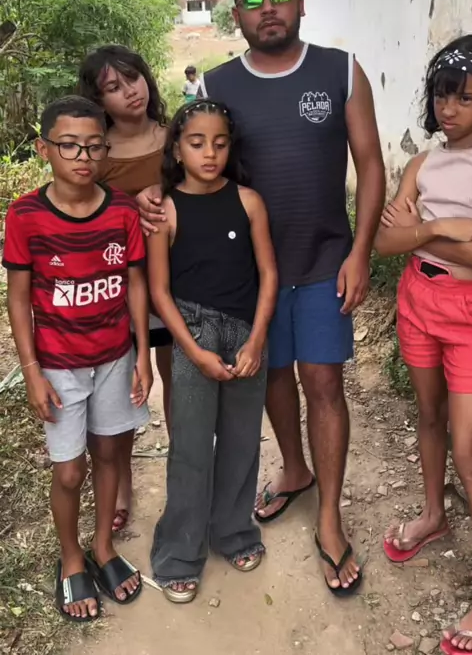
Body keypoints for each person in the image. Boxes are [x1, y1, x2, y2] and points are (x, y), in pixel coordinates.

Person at [137, 0, 385, 595]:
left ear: (300, 2)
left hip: (324, 261)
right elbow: (189, 157)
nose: (266, 8)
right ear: (237, 13)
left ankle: (329, 520)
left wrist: (360, 252)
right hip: (249, 279)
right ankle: (294, 469)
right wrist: (151, 196)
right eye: (251, 0)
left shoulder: (340, 70)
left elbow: (371, 164)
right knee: (271, 376)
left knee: (322, 382)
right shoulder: (217, 84)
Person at [3, 96, 153, 621]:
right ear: (44, 149)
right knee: (69, 471)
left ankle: (103, 548)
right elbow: (18, 298)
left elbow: (136, 283)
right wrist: (31, 372)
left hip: (114, 357)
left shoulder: (122, 210)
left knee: (110, 453)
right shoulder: (24, 215)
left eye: (93, 146)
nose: (83, 157)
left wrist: (142, 355)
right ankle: (71, 558)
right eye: (69, 146)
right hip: (58, 364)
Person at [148, 98, 278, 603]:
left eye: (220, 144)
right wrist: (194, 351)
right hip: (193, 335)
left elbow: (268, 274)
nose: (209, 153)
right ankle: (179, 552)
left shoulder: (249, 202)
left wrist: (257, 338)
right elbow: (159, 291)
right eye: (197, 143)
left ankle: (234, 531)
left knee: (243, 440)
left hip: (246, 334)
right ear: (177, 149)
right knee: (192, 446)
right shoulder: (164, 209)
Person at [375, 35, 472, 654]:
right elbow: (385, 242)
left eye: (466, 98)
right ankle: (435, 515)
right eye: (443, 95)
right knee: (429, 417)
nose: (450, 108)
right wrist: (442, 229)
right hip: (418, 300)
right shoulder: (423, 163)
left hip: (470, 315)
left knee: (470, 451)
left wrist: (417, 230)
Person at [78, 45, 172, 534]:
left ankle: (184, 476)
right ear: (99, 101)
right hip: (118, 286)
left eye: (133, 78)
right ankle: (122, 485)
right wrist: (128, 205)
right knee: (125, 390)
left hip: (177, 281)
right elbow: (82, 211)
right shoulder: (98, 152)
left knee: (178, 382)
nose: (129, 92)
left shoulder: (176, 137)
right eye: (113, 88)